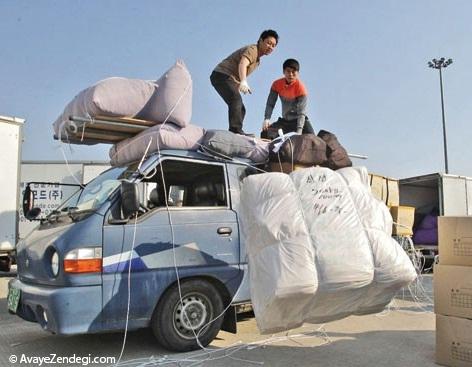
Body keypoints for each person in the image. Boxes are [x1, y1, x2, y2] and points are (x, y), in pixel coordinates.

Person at [210, 30, 279, 135]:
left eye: (273, 46)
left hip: (229, 78)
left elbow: (239, 72)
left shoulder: (257, 61)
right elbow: (243, 63)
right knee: (236, 99)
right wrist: (243, 81)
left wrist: (238, 84)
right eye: (268, 43)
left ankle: (237, 132)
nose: (270, 47)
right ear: (261, 40)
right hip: (221, 75)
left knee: (241, 109)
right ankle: (235, 131)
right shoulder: (253, 50)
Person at [261, 58, 315, 139]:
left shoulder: (301, 88)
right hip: (285, 122)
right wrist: (267, 118)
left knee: (313, 140)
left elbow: (302, 113)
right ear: (283, 72)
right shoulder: (276, 84)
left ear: (298, 73)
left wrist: (299, 132)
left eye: (293, 72)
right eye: (288, 71)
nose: (290, 74)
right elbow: (270, 104)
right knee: (265, 133)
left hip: (299, 121)